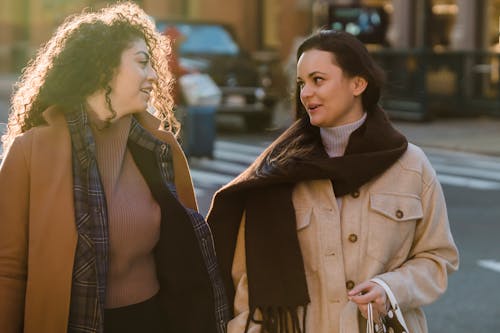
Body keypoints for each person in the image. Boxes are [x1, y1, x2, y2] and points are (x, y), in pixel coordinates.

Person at [207, 29, 459, 333]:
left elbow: (438, 257)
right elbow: (245, 277)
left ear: (358, 83)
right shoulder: (278, 172)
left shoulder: (411, 166)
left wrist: (392, 288)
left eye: (318, 80)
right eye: (301, 83)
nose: (305, 93)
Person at [0, 2, 229, 333]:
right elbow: (7, 270)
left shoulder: (161, 149)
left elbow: (189, 252)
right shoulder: (31, 151)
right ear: (103, 67)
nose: (154, 74)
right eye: (142, 62)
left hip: (153, 321)